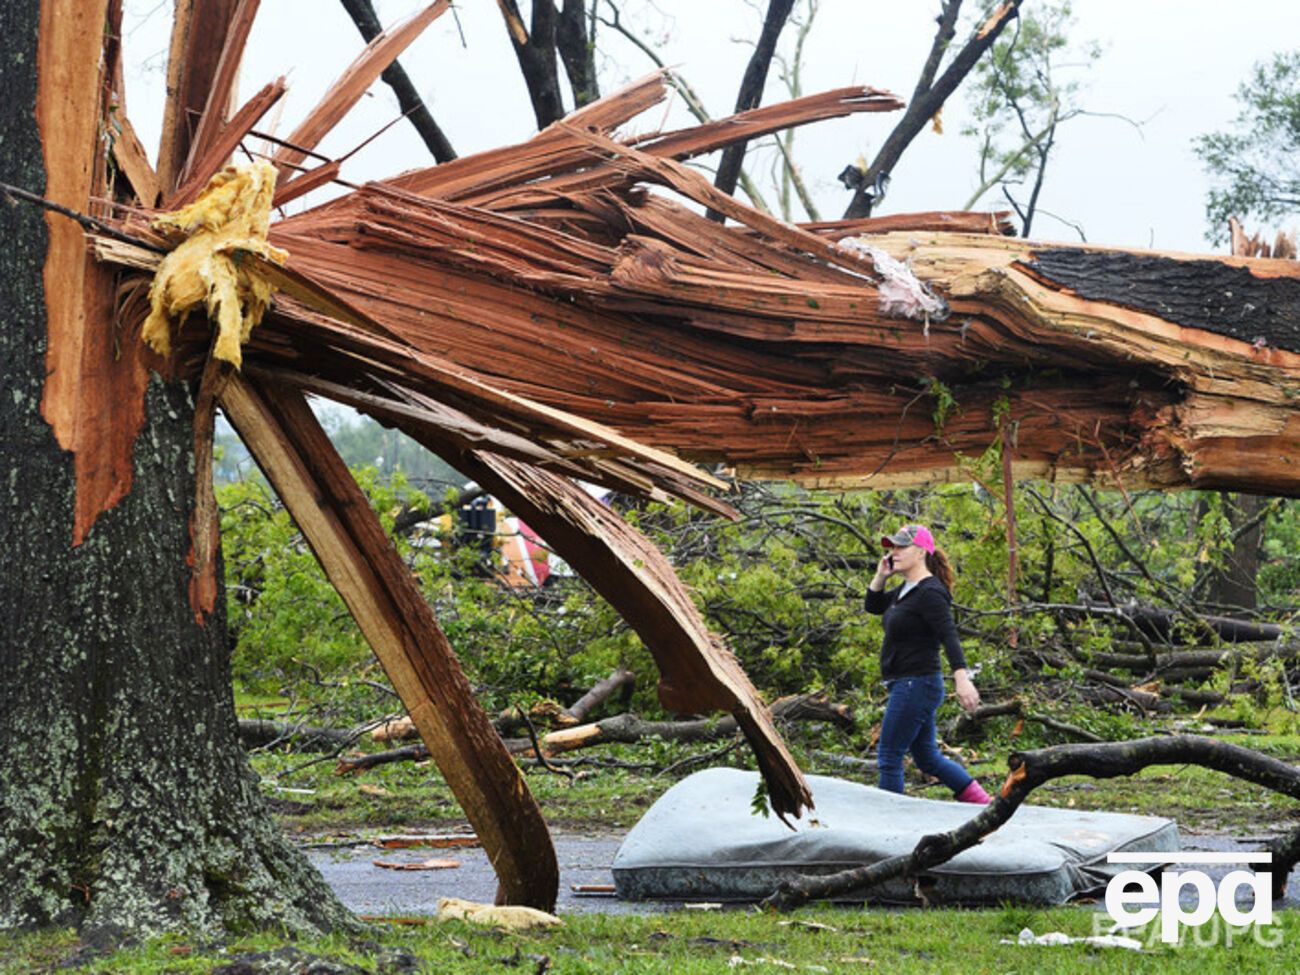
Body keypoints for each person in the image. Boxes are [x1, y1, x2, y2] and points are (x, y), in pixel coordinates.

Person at [866, 523, 991, 804]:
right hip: (909, 683)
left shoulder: (930, 592)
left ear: (921, 551)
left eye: (901, 547)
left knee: (889, 756)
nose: (893, 552)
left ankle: (887, 824)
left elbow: (948, 635)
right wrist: (880, 576)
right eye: (892, 547)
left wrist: (962, 678)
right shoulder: (904, 590)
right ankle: (983, 804)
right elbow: (873, 606)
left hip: (916, 683)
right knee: (927, 757)